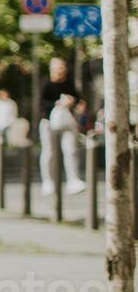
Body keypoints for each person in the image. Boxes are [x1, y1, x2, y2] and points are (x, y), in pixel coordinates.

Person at [40, 58, 83, 195]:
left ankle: (73, 179)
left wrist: (73, 103)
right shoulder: (46, 83)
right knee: (49, 152)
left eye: (63, 68)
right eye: (59, 68)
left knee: (70, 150)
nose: (61, 71)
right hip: (48, 122)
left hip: (67, 121)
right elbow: (41, 102)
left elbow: (78, 98)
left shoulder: (69, 82)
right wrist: (56, 104)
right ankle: (48, 182)